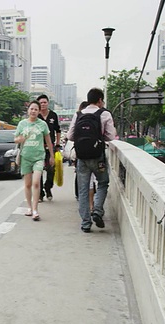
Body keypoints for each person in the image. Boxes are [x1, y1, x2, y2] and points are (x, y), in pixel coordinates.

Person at [67, 88, 117, 233]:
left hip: (82, 158)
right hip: (98, 157)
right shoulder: (105, 114)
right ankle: (97, 210)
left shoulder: (78, 114)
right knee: (102, 183)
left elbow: (70, 136)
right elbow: (111, 136)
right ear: (100, 100)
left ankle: (85, 223)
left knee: (83, 190)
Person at [15, 100, 55, 221]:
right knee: (27, 184)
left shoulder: (42, 124)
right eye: (31, 109)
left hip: (39, 157)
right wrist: (20, 139)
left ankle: (35, 209)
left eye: (36, 109)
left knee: (36, 182)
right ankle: (29, 207)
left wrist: (52, 156)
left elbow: (48, 141)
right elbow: (15, 139)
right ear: (28, 110)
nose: (33, 111)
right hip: (25, 156)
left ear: (39, 112)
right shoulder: (22, 124)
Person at [37, 94, 60, 202]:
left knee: (51, 169)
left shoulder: (53, 115)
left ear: (48, 103)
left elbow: (58, 130)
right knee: (39, 170)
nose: (43, 104)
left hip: (50, 147)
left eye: (44, 102)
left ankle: (48, 187)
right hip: (38, 148)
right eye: (41, 103)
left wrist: (58, 144)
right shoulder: (36, 116)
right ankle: (40, 193)